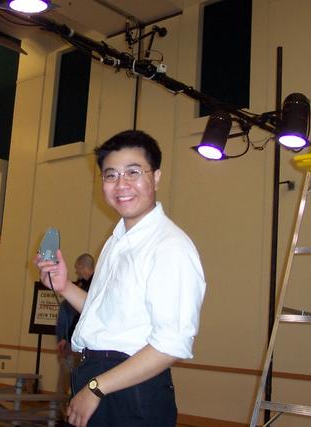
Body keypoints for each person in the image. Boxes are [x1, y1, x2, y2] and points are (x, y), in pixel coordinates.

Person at [35, 130, 206, 427]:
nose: (121, 184)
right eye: (111, 175)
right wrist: (64, 287)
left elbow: (171, 344)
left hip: (130, 390)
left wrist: (96, 388)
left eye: (133, 172)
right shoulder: (117, 241)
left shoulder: (169, 246)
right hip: (100, 377)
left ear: (156, 178)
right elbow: (106, 315)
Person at [55, 254, 95, 398]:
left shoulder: (93, 287)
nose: (76, 271)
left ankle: (63, 407)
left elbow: (81, 317)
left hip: (83, 343)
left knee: (70, 377)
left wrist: (67, 338)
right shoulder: (85, 285)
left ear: (83, 267)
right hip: (77, 341)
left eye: (77, 268)